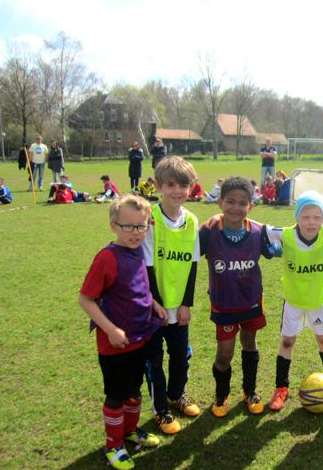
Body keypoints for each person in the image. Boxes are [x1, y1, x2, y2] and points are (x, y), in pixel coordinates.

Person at [79, 195, 166, 469]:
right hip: (114, 344)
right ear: (113, 226)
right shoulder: (107, 258)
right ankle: (113, 445)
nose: (136, 232)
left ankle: (129, 431)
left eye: (141, 226)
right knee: (117, 396)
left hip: (139, 337)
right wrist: (111, 329)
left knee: (134, 391)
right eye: (128, 226)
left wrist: (153, 304)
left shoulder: (137, 250)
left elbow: (138, 287)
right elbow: (86, 299)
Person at [198, 177, 277, 418]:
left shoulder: (258, 232)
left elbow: (278, 247)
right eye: (230, 201)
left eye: (243, 203)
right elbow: (187, 254)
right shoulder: (209, 232)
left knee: (250, 343)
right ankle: (221, 394)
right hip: (224, 303)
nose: (236, 207)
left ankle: (250, 391)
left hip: (251, 300)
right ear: (220, 202)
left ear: (250, 206)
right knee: (225, 353)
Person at [265, 191, 323, 411]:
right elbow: (259, 229)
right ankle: (281, 388)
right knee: (287, 342)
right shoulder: (285, 235)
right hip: (293, 300)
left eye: (317, 217)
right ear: (297, 217)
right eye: (305, 217)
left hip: (317, 300)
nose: (311, 222)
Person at [143, 156, 201, 434]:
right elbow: (147, 266)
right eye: (170, 185)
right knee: (154, 359)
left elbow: (193, 265)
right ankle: (160, 410)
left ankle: (177, 395)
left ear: (191, 187)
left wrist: (186, 304)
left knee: (180, 354)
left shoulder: (191, 220)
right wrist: (156, 304)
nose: (177, 191)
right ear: (158, 186)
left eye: (183, 185)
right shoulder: (149, 219)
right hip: (153, 306)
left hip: (179, 306)